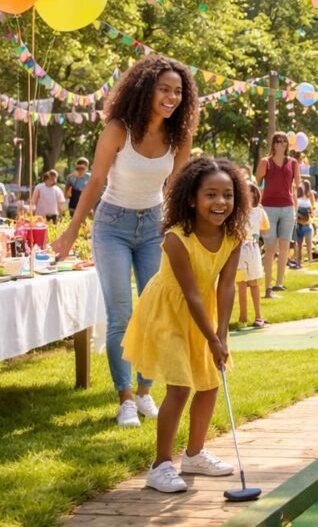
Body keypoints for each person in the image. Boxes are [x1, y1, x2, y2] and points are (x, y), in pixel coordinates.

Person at [51, 54, 198, 428]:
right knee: (121, 315)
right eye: (164, 89)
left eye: (178, 91)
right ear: (146, 88)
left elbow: (175, 188)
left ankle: (146, 391)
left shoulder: (179, 134)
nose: (171, 97)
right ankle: (125, 398)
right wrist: (71, 232)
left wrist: (180, 232)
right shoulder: (119, 129)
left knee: (153, 311)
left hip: (153, 226)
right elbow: (96, 182)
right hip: (112, 225)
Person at [120, 157, 249, 493]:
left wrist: (221, 335)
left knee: (209, 383)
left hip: (203, 311)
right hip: (169, 311)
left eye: (228, 195)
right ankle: (160, 465)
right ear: (192, 198)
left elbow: (225, 287)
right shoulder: (177, 238)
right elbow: (190, 294)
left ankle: (193, 454)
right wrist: (211, 336)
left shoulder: (234, 237)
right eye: (211, 195)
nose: (221, 202)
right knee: (179, 386)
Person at [256, 132, 299, 293]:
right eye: (278, 141)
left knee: (285, 247)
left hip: (287, 208)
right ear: (273, 144)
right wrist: (257, 206)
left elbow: (295, 187)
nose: (281, 144)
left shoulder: (293, 163)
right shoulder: (265, 162)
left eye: (284, 142)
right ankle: (267, 284)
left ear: (287, 145)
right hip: (268, 207)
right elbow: (257, 183)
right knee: (270, 247)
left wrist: (295, 209)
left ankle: (279, 283)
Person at [236, 180, 267, 327]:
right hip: (239, 249)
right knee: (241, 284)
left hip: (252, 248)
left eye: (252, 192)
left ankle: (258, 316)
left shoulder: (259, 212)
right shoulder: (236, 211)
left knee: (253, 283)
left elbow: (265, 230)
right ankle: (243, 317)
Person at [294, 180, 315, 268]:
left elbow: (313, 207)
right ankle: (299, 261)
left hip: (307, 222)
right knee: (299, 243)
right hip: (298, 222)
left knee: (308, 242)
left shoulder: (310, 195)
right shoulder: (296, 195)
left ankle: (310, 259)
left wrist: (310, 214)